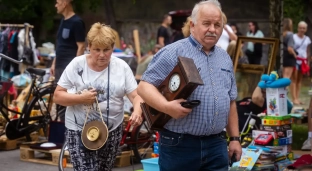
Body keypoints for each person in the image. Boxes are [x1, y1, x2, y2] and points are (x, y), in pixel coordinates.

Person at [137, 1, 242, 170]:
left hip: (217, 145)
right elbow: (144, 87)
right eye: (206, 23)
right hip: (179, 145)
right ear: (193, 25)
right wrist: (166, 106)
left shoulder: (225, 58)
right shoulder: (173, 52)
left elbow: (230, 101)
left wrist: (235, 139)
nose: (212, 29)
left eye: (217, 25)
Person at [53, 23, 143, 171]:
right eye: (97, 50)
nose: (102, 55)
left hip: (111, 130)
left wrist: (137, 112)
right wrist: (81, 98)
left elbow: (136, 96)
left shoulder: (121, 67)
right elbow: (57, 95)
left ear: (113, 47)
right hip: (78, 129)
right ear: (89, 47)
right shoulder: (77, 64)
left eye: (106, 50)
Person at [51, 0, 86, 122]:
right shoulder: (63, 21)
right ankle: (61, 127)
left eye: (57, 2)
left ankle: (68, 127)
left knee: (67, 98)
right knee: (59, 98)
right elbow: (61, 45)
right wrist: (54, 63)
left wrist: (75, 67)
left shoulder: (77, 22)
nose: (56, 5)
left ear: (65, 3)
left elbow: (81, 46)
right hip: (60, 65)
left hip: (68, 65)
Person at [290, 21, 311, 105]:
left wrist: (308, 62)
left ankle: (297, 98)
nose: (302, 29)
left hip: (303, 61)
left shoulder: (307, 39)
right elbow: (290, 47)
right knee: (294, 79)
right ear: (298, 28)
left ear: (306, 29)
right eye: (300, 28)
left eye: (304, 28)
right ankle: (294, 98)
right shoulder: (293, 37)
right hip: (295, 60)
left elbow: (308, 51)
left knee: (299, 80)